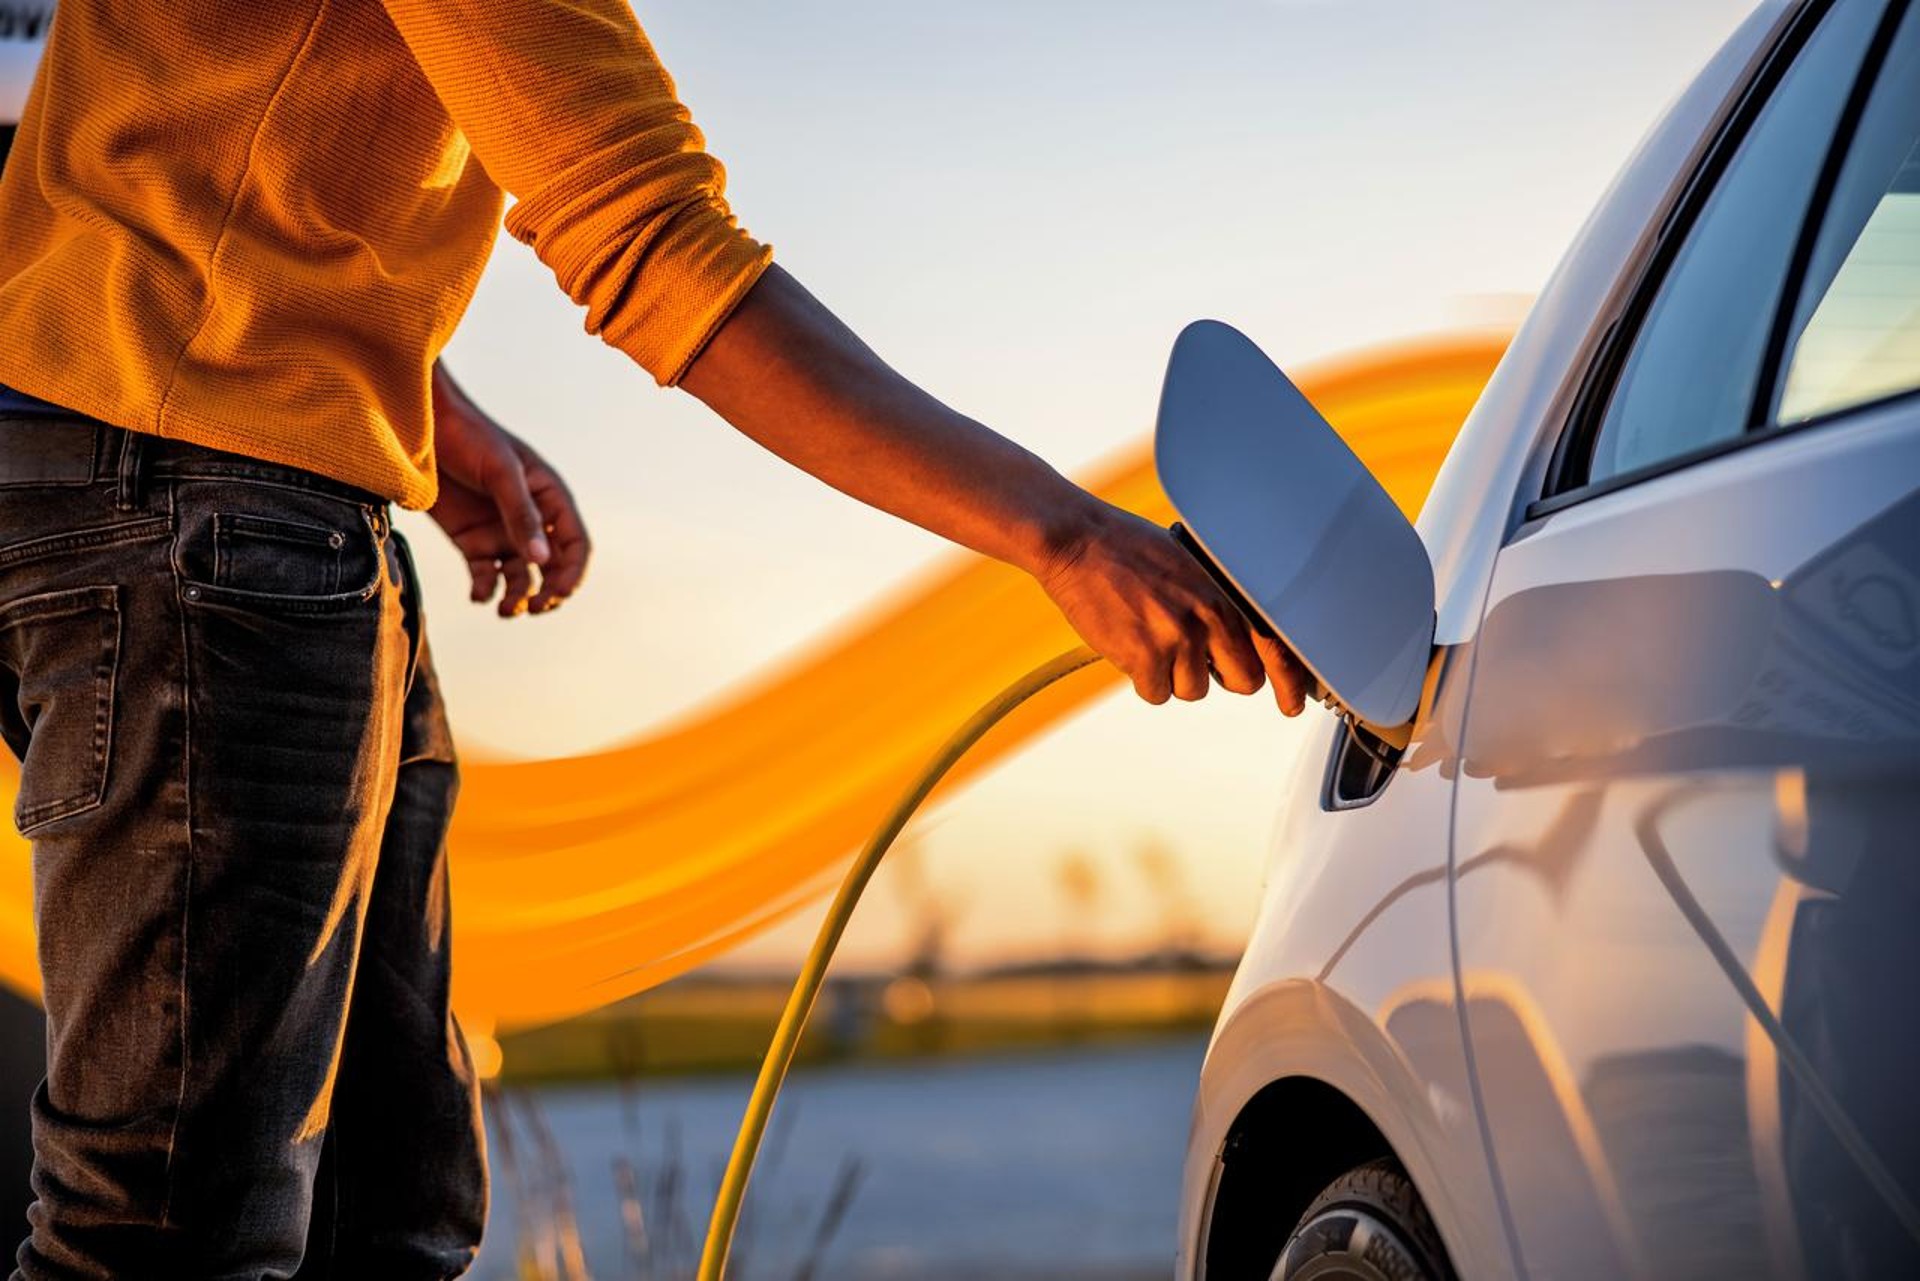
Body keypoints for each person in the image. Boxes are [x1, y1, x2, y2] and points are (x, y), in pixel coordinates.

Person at [0, 1, 1306, 1276]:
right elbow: (654, 240)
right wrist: (1063, 534)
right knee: (167, 1233)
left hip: (231, 480)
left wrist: (410, 390)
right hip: (197, 512)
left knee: (388, 1201)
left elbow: (192, 125)